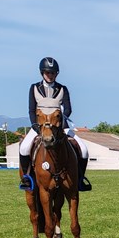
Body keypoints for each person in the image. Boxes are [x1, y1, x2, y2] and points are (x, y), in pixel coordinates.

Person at [20, 57, 91, 191]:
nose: (50, 75)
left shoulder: (62, 89)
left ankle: (80, 179)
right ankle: (27, 177)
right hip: (39, 127)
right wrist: (35, 125)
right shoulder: (34, 88)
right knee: (24, 147)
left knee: (84, 149)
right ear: (42, 73)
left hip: (60, 126)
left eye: (53, 73)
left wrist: (60, 121)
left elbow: (68, 109)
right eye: (47, 73)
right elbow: (31, 109)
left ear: (56, 74)